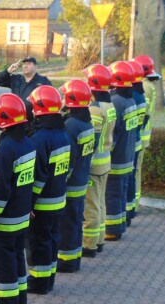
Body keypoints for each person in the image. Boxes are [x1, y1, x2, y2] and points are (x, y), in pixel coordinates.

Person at [0, 93, 36, 304]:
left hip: (3, 225)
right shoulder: (29, 145)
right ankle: (21, 300)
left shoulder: (4, 151)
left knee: (3, 270)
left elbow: (0, 192)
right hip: (20, 220)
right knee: (17, 264)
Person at [25, 85, 71, 294]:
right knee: (52, 240)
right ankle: (49, 278)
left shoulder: (40, 139)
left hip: (42, 204)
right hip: (59, 198)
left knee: (39, 243)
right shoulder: (63, 133)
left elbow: (38, 177)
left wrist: (30, 204)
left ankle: (39, 282)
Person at [57, 80, 95, 273]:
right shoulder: (86, 122)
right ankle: (75, 256)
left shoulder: (71, 126)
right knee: (76, 221)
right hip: (81, 181)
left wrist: (60, 183)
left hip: (71, 185)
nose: (62, 99)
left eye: (65, 96)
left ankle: (66, 260)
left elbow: (69, 161)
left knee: (68, 223)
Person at [82, 64, 116, 257]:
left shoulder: (95, 109)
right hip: (106, 161)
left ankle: (89, 244)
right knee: (100, 203)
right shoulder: (109, 104)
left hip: (94, 164)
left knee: (91, 207)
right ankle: (100, 239)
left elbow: (92, 140)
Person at [105, 61, 138, 241]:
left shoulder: (116, 102)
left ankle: (112, 230)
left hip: (117, 159)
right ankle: (119, 225)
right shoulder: (130, 99)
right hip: (127, 156)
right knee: (121, 193)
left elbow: (114, 134)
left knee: (112, 195)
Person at [132, 55, 161, 217]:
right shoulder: (148, 84)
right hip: (143, 137)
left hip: (139, 137)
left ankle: (134, 204)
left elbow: (142, 114)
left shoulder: (144, 87)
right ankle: (134, 202)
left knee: (135, 171)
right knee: (136, 171)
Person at [0, 56, 52, 123]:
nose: (25, 66)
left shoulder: (43, 81)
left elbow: (49, 99)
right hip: (16, 120)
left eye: (29, 63)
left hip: (33, 121)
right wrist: (8, 71)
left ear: (36, 67)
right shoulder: (16, 79)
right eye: (24, 64)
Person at [125, 61, 148, 226]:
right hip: (136, 140)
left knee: (128, 180)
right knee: (131, 178)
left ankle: (128, 211)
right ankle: (130, 209)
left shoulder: (131, 97)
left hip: (129, 144)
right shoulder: (140, 95)